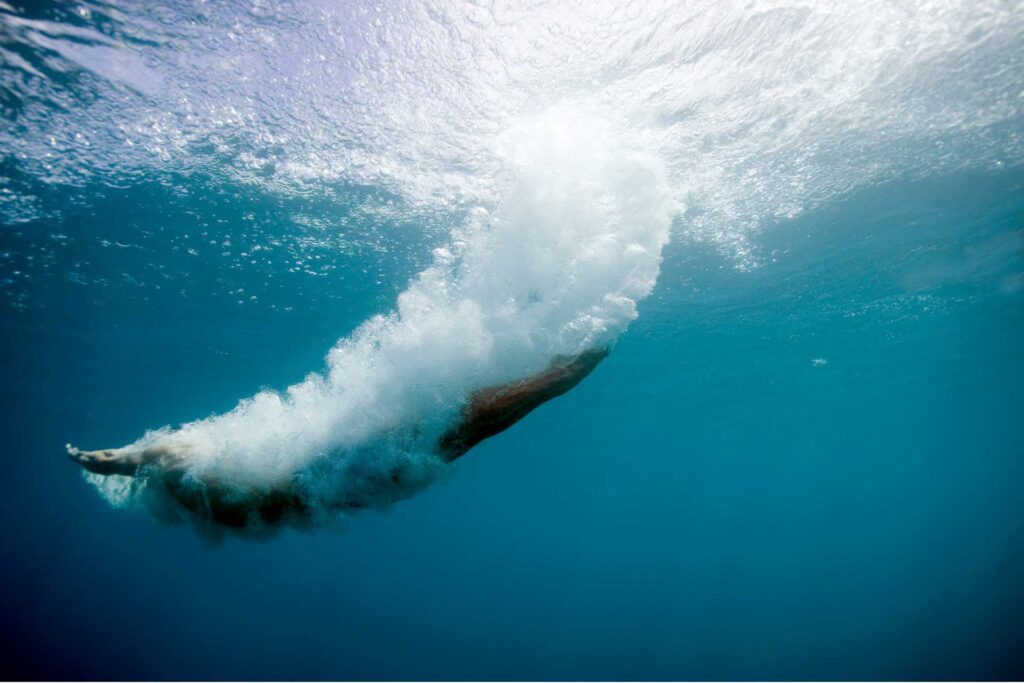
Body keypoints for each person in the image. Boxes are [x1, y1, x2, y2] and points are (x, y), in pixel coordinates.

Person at [68, 347, 609, 529]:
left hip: (346, 484)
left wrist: (105, 461)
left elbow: (140, 460)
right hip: (343, 477)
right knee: (464, 424)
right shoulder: (193, 474)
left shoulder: (210, 496)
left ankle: (561, 374)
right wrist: (104, 460)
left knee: (464, 428)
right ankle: (563, 372)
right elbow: (141, 458)